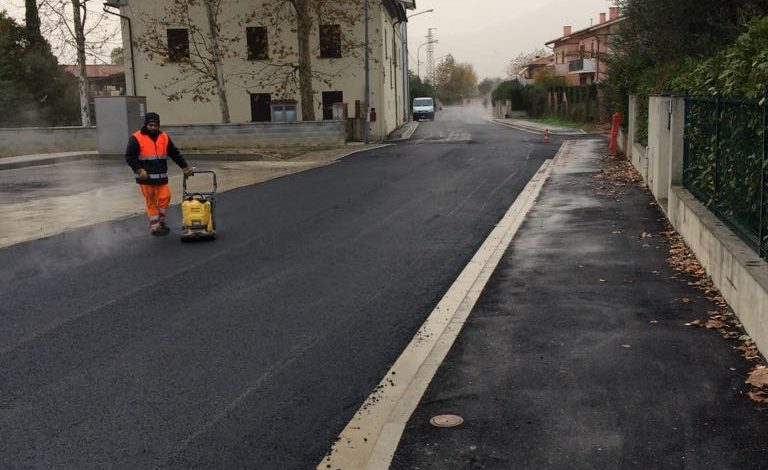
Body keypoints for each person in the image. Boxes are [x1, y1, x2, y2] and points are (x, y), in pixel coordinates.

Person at [125, 112, 194, 236]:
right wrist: (139, 170)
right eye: (150, 125)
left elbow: (174, 153)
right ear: (146, 125)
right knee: (151, 201)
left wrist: (185, 167)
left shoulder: (164, 137)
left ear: (158, 125)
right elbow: (130, 157)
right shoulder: (136, 138)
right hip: (146, 178)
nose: (153, 127)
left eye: (155, 125)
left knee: (165, 197)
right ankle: (155, 226)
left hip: (161, 177)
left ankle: (161, 221)